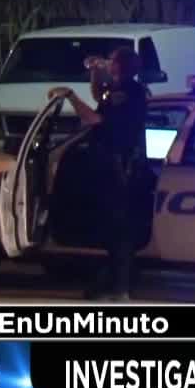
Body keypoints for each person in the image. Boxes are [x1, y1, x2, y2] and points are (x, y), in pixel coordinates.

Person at [48, 47, 149, 301]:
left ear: (121, 66)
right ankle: (113, 283)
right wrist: (94, 72)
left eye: (112, 61)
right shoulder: (119, 88)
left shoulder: (129, 91)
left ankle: (121, 288)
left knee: (118, 229)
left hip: (117, 166)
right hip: (110, 164)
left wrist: (70, 96)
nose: (108, 63)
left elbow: (95, 119)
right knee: (110, 227)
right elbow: (99, 96)